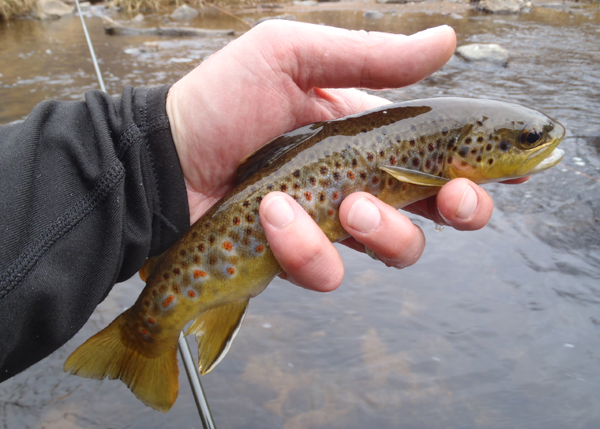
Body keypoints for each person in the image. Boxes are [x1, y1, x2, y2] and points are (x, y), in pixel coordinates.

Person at [0, 21, 507, 382]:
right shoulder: (436, 152)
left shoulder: (437, 155)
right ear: (466, 150)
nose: (538, 146)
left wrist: (153, 165)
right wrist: (153, 158)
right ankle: (141, 338)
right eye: (522, 142)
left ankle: (152, 330)